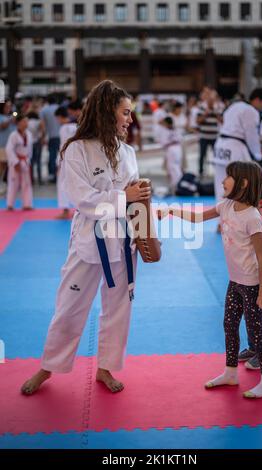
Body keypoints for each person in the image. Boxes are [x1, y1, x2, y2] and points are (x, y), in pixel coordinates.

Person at [21, 80, 151, 396]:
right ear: (108, 112)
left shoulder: (129, 152)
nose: (129, 120)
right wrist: (124, 195)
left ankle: (105, 368)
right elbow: (83, 198)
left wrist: (147, 234)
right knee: (69, 306)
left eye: (130, 114)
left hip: (123, 242)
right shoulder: (76, 150)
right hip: (88, 242)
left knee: (119, 309)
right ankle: (48, 366)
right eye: (125, 113)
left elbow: (136, 199)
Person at [159, 161, 262, 398]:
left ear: (242, 183)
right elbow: (198, 218)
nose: (222, 181)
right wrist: (172, 210)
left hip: (252, 284)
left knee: (256, 330)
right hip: (234, 281)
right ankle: (231, 372)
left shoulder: (253, 217)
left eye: (228, 177)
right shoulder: (226, 205)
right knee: (229, 325)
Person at [238, 179, 262, 369]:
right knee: (249, 313)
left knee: (261, 315)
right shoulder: (247, 219)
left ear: (260, 202)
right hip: (246, 275)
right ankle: (253, 347)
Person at [213, 87, 262, 203]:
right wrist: (258, 155)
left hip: (220, 145)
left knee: (221, 184)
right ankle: (236, 217)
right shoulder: (251, 111)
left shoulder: (235, 105)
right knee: (240, 185)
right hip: (235, 148)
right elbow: (251, 134)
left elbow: (222, 121)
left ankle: (222, 218)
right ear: (257, 99)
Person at [6, 114, 33, 211]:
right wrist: (15, 162)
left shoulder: (29, 134)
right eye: (24, 121)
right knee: (13, 183)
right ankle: (10, 204)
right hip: (16, 161)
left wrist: (28, 160)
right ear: (19, 123)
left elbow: (30, 150)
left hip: (25, 161)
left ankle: (27, 204)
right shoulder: (13, 135)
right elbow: (9, 149)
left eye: (27, 121)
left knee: (26, 183)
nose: (26, 123)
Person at [54, 106, 77, 219]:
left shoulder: (64, 128)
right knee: (77, 184)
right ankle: (79, 209)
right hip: (77, 159)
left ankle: (65, 210)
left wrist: (58, 162)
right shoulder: (77, 126)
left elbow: (63, 146)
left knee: (62, 184)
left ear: (59, 117)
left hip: (65, 159)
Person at [160, 116, 183, 194]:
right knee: (176, 167)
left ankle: (176, 186)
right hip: (178, 149)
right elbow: (180, 139)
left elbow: (163, 143)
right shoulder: (176, 130)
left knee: (172, 168)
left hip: (171, 149)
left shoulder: (165, 131)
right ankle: (178, 184)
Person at [0, 100, 16, 194]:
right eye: (7, 106)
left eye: (10, 106)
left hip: (11, 147)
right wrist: (10, 120)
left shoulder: (11, 117)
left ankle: (8, 186)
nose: (9, 108)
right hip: (2, 145)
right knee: (1, 166)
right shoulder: (2, 117)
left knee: (9, 167)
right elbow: (2, 126)